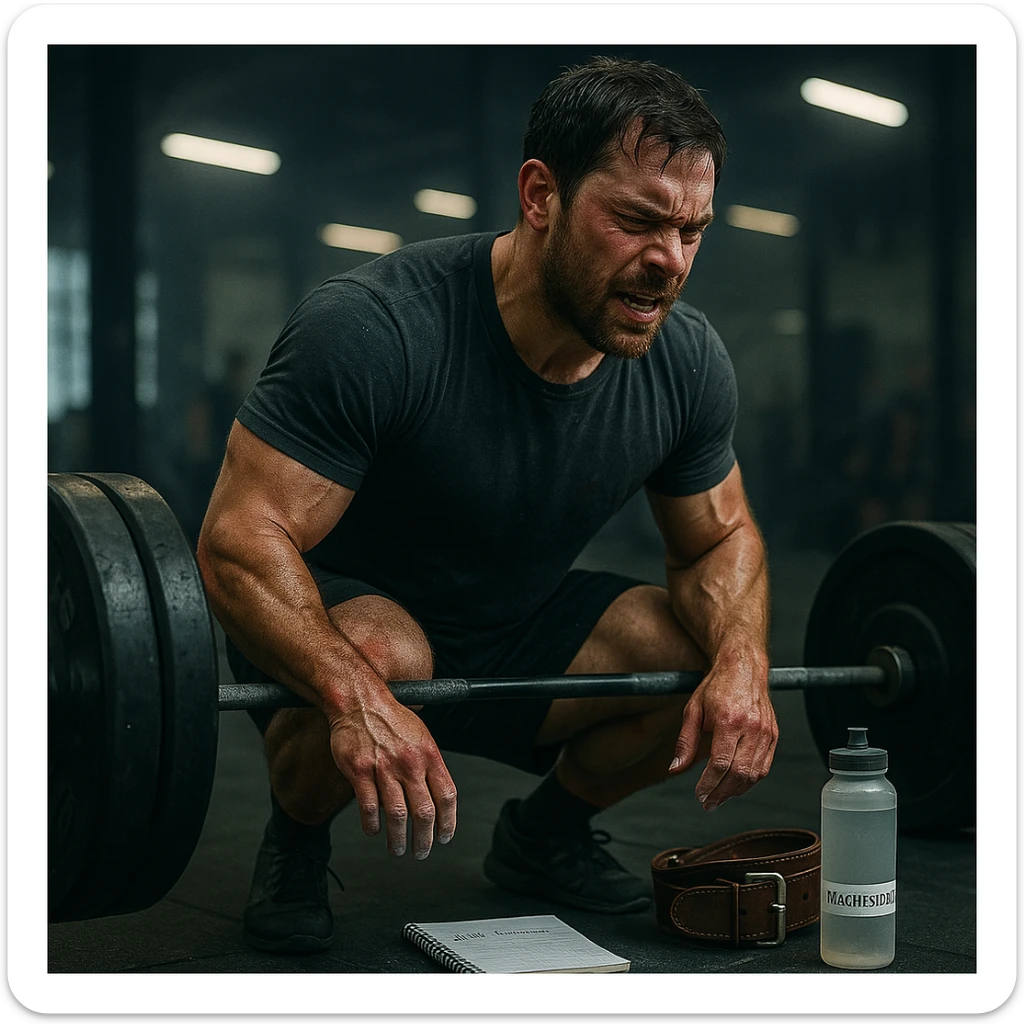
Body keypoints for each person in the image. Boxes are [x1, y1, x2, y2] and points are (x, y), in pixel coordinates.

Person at [197, 56, 778, 954]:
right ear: (540, 195)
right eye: (636, 221)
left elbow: (716, 542)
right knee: (391, 648)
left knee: (686, 645)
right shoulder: (376, 326)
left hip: (515, 618)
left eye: (692, 232)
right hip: (356, 621)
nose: (669, 262)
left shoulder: (686, 361)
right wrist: (352, 694)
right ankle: (297, 837)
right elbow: (240, 540)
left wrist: (743, 657)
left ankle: (543, 835)